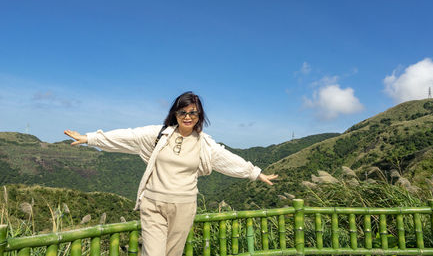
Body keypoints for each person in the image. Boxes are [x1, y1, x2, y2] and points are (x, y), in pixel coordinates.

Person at [64, 91, 278, 256]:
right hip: (153, 204)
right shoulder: (158, 134)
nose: (187, 116)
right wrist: (90, 139)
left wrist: (255, 173)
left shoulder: (204, 143)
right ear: (175, 114)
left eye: (192, 112)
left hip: (184, 207)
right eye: (182, 112)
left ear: (199, 115)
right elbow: (128, 137)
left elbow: (226, 159)